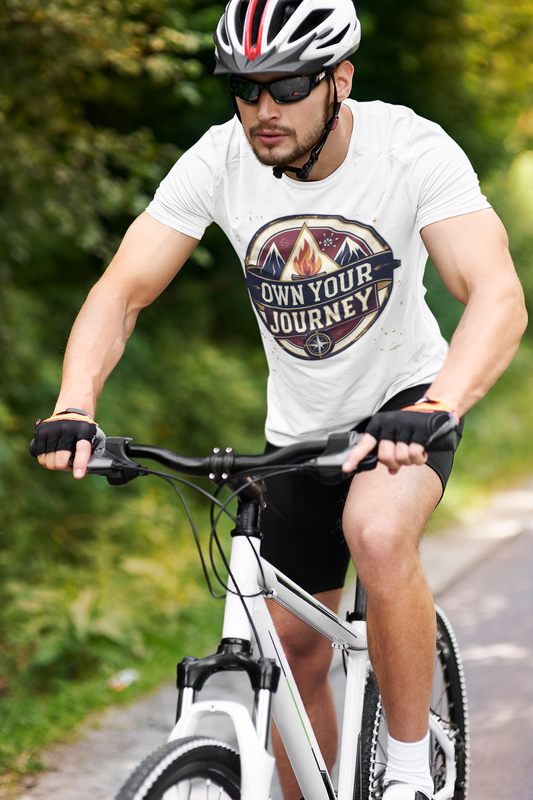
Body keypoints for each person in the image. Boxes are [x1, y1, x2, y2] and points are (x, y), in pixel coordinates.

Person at [31, 1, 526, 798]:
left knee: (376, 533)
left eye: (289, 85)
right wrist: (73, 405)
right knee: (291, 648)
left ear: (339, 80)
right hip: (296, 429)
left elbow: (496, 294)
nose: (264, 108)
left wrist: (439, 404)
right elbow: (121, 292)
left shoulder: (408, 148)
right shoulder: (218, 160)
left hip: (405, 403)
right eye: (246, 88)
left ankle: (407, 770)